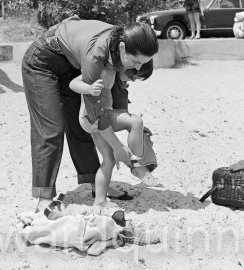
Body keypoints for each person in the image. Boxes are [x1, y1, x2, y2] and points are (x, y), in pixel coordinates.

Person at [21, 15, 159, 213]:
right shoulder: (97, 53)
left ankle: (96, 183)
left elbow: (117, 90)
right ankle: (44, 197)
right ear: (121, 48)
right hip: (41, 64)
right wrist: (117, 146)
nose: (138, 68)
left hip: (73, 68)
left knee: (80, 128)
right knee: (51, 129)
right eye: (136, 61)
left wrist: (127, 121)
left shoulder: (123, 43)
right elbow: (94, 112)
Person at [69, 60, 159, 209]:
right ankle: (136, 165)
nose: (132, 80)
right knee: (136, 121)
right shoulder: (103, 69)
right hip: (93, 117)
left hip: (98, 120)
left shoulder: (115, 73)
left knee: (109, 160)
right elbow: (73, 83)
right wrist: (89, 88)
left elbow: (121, 111)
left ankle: (100, 200)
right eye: (133, 75)